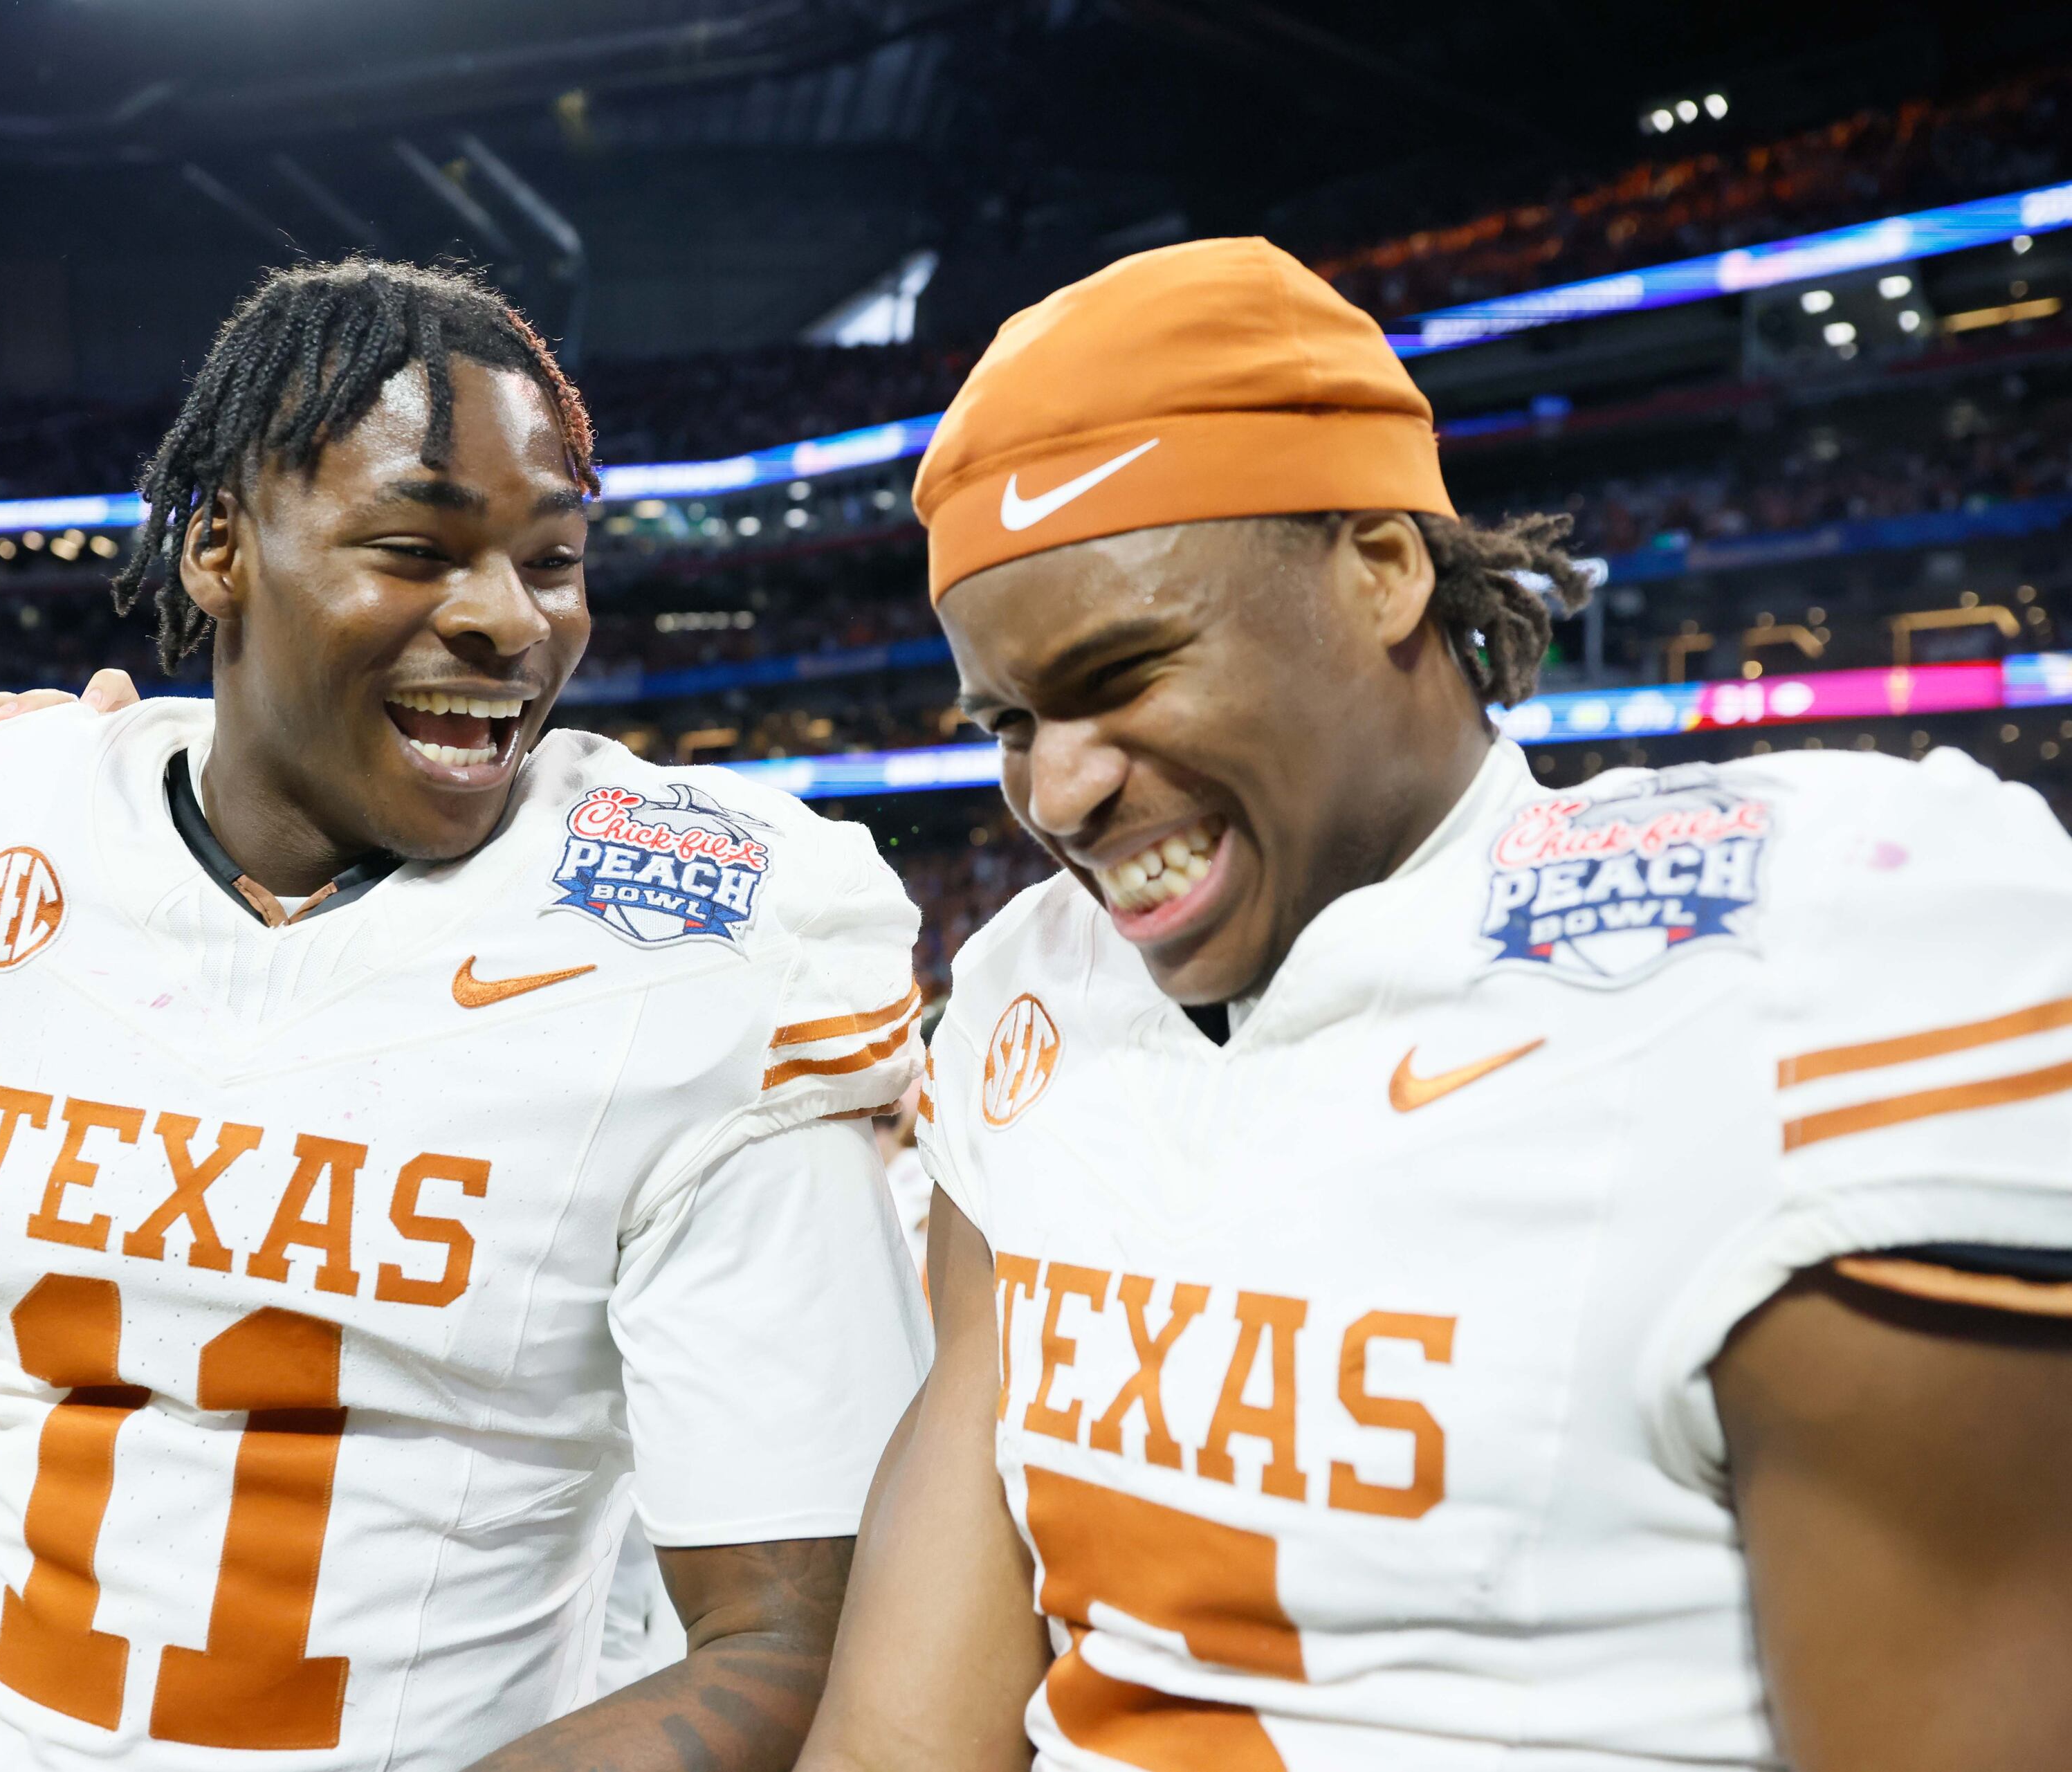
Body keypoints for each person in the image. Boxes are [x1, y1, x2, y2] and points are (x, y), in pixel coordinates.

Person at [0, 259, 929, 1772]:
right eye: (415, 546)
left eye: (557, 558)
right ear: (216, 547)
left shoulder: (701, 933)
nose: (509, 620)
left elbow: (806, 1633)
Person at [796, 239, 2072, 1771]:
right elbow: (893, 1745)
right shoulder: (1025, 993)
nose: (1055, 790)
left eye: (1126, 667)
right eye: (1010, 720)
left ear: (1385, 564)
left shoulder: (1800, 949)